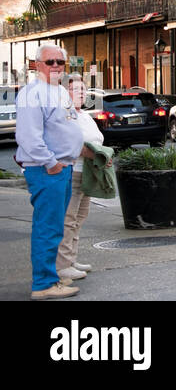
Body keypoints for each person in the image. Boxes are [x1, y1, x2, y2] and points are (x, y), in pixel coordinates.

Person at [15, 43, 87, 299]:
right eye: (50, 62)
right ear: (37, 65)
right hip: (48, 171)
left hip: (63, 168)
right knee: (48, 227)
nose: (56, 66)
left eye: (60, 62)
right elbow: (29, 137)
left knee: (56, 226)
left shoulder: (57, 91)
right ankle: (44, 284)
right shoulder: (32, 93)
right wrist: (51, 162)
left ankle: (51, 277)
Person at [57, 77, 105, 283]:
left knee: (80, 217)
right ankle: (62, 266)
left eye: (83, 90)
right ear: (64, 92)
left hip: (87, 172)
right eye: (75, 89)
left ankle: (71, 259)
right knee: (67, 219)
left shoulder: (85, 115)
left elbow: (97, 140)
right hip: (71, 171)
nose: (80, 93)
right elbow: (68, 142)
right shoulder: (64, 115)